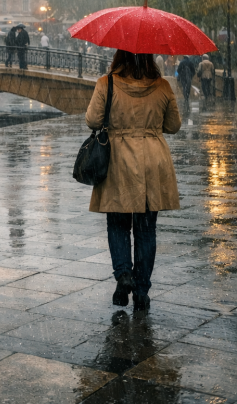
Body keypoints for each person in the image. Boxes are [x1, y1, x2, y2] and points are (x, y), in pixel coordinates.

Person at [85, 50, 181, 312]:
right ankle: (141, 291)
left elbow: (92, 120)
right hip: (153, 160)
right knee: (146, 229)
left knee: (118, 223)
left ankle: (123, 274)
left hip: (118, 160)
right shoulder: (162, 86)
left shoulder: (107, 83)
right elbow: (173, 126)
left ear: (120, 55)